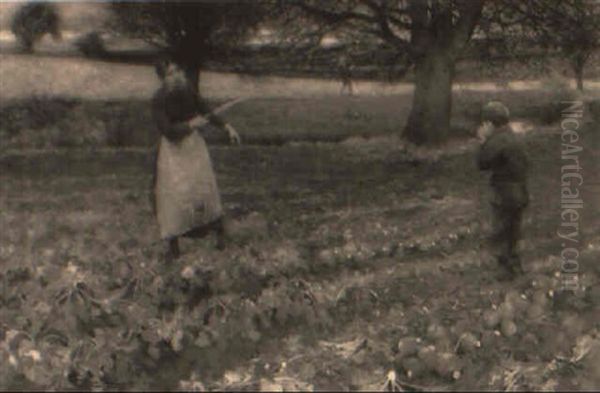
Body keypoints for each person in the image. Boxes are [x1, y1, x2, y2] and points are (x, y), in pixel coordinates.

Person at [151, 60, 240, 261]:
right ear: (163, 78)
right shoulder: (158, 100)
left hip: (194, 148)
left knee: (204, 189)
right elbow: (167, 130)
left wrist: (227, 127)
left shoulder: (188, 92)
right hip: (173, 152)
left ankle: (219, 235)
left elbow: (206, 110)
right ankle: (173, 246)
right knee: (175, 195)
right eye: (171, 73)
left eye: (178, 71)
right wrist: (190, 125)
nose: (177, 76)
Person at [477, 101, 529, 278]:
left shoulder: (498, 140)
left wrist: (483, 141)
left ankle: (505, 271)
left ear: (489, 123)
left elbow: (482, 162)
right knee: (513, 230)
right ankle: (516, 267)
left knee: (501, 231)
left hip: (504, 192)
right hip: (520, 190)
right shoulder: (514, 136)